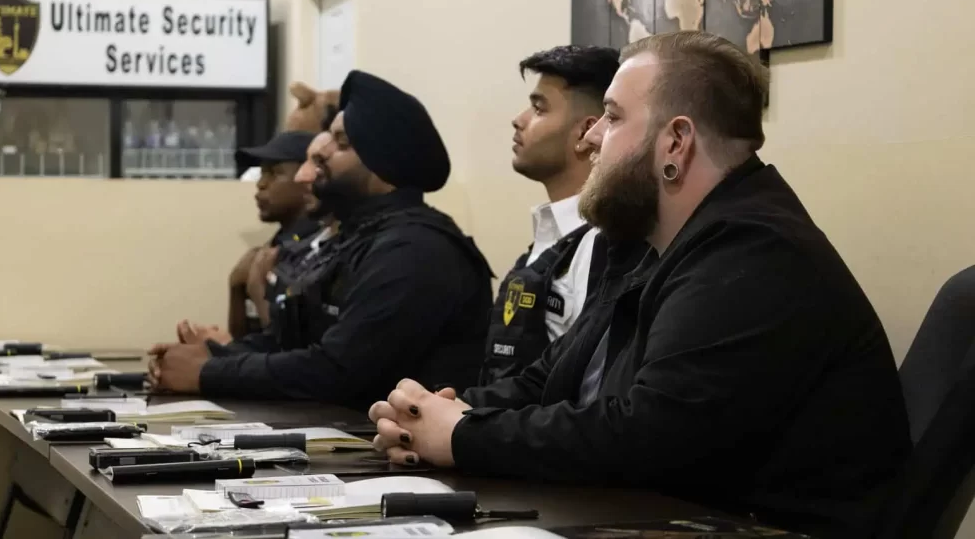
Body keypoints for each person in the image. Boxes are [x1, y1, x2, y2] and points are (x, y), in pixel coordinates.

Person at [368, 32, 912, 539]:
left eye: (611, 116)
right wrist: (431, 415)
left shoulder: (755, 251)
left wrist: (465, 437)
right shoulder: (650, 242)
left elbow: (650, 435)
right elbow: (549, 379)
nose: (591, 138)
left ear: (675, 141)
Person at [150, 70, 495, 410]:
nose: (321, 154)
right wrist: (207, 355)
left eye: (342, 143)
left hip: (400, 458)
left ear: (382, 167)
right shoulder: (357, 238)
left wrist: (208, 372)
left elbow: (337, 370)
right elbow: (289, 343)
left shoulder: (414, 250)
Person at [481, 45, 642, 384]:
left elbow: (585, 385)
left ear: (586, 132)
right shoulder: (549, 236)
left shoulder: (603, 243)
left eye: (539, 108)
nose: (519, 119)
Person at [181, 130, 340, 349]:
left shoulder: (319, 250)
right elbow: (245, 339)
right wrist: (236, 287)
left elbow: (294, 346)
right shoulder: (279, 243)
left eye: (274, 173)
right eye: (262, 173)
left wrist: (257, 289)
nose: (261, 184)